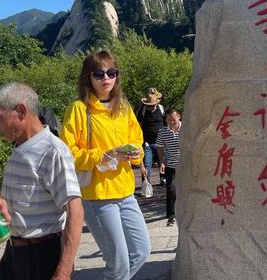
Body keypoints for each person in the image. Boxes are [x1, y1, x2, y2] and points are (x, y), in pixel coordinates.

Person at [61, 50, 151, 280]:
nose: (106, 79)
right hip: (98, 196)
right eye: (99, 74)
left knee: (141, 251)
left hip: (126, 191)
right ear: (87, 78)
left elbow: (137, 139)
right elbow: (67, 153)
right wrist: (102, 155)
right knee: (118, 263)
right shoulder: (79, 110)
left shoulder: (123, 107)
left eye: (111, 72)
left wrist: (137, 153)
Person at [0, 82, 83, 280]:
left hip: (43, 257)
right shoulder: (20, 147)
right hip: (16, 253)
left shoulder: (53, 152)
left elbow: (75, 212)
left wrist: (63, 272)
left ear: (20, 111)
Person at [155, 108, 181, 226]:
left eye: (173, 120)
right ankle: (171, 216)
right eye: (168, 120)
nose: (171, 122)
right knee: (171, 189)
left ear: (179, 117)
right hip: (170, 164)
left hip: (186, 165)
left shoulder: (187, 129)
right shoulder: (163, 132)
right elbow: (159, 147)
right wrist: (162, 162)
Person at [136, 87, 166, 186]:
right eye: (149, 105)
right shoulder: (143, 111)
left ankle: (163, 180)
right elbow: (137, 122)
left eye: (152, 105)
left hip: (160, 143)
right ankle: (146, 183)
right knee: (147, 164)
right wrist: (141, 105)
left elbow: (166, 123)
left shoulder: (161, 109)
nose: (151, 106)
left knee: (162, 162)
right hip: (148, 143)